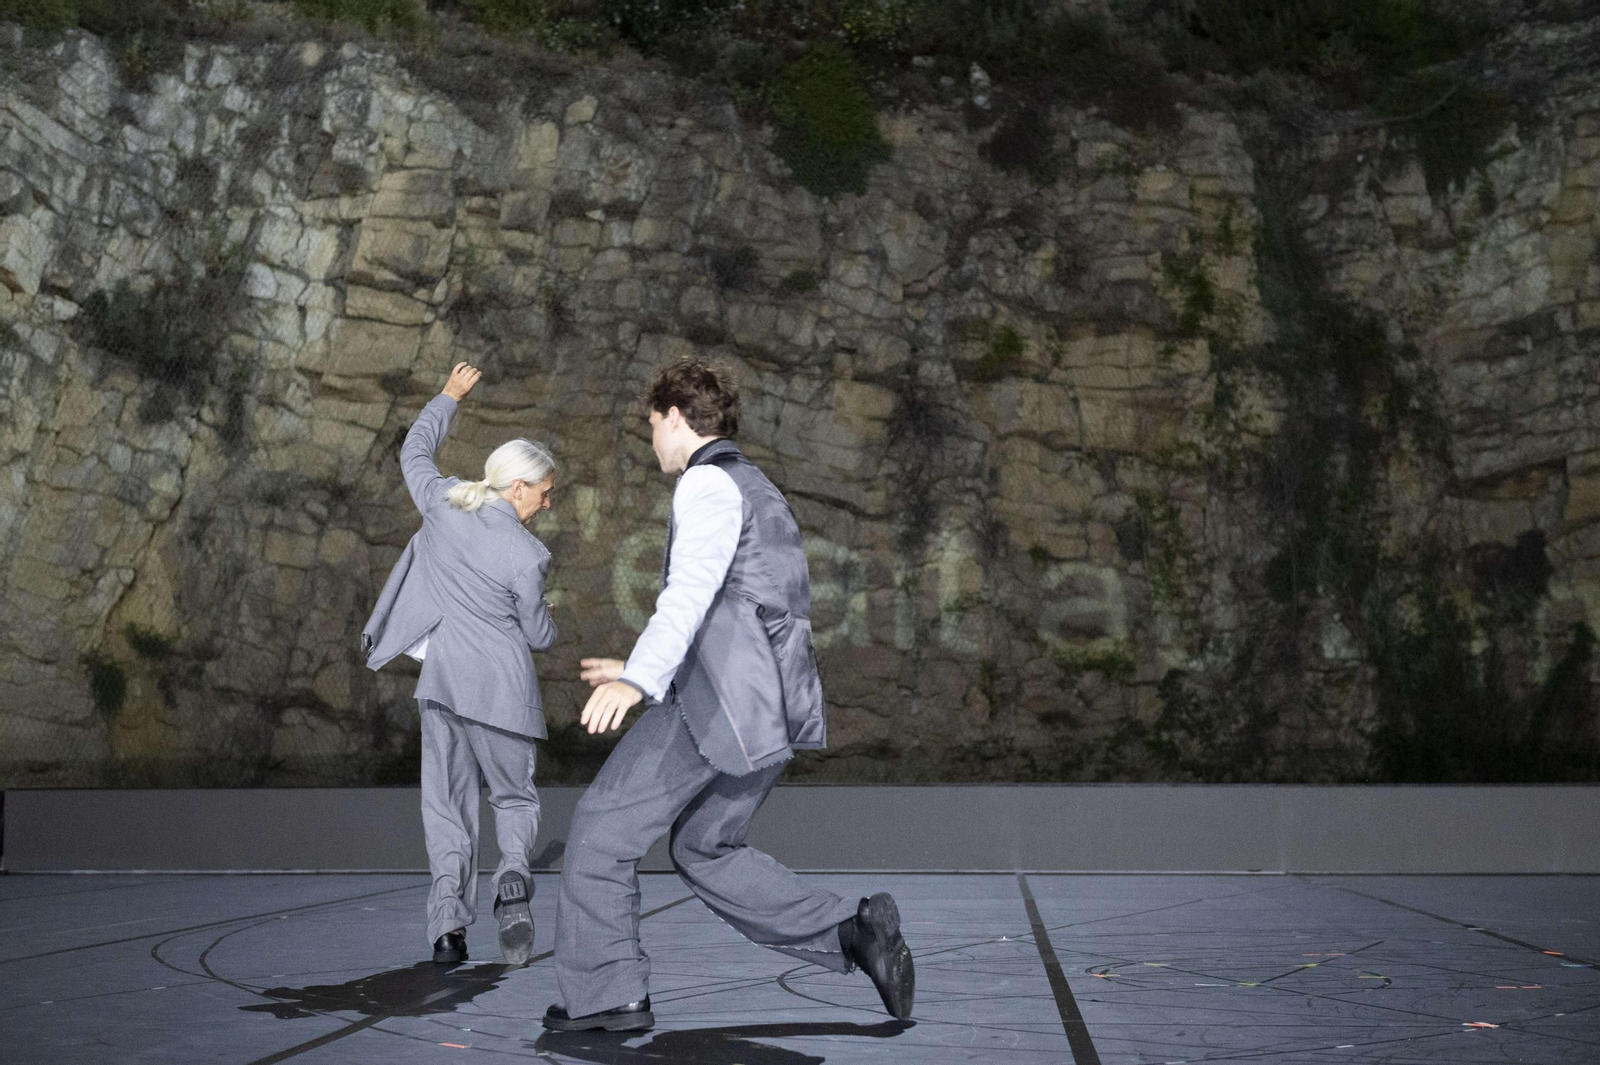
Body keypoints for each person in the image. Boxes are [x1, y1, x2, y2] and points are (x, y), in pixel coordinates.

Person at [542, 357, 913, 1033]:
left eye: (653, 424)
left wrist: (638, 679)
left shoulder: (706, 484)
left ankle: (606, 996)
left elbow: (689, 594)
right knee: (704, 847)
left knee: (600, 830)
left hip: (719, 705)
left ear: (677, 417)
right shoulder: (759, 487)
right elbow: (743, 603)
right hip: (770, 711)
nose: (652, 438)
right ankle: (852, 932)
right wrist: (640, 662)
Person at [361, 362, 557, 967]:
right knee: (515, 800)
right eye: (545, 494)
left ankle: (448, 927)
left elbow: (413, 449)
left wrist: (448, 396)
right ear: (519, 488)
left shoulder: (443, 507)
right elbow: (538, 635)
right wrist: (549, 613)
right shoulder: (528, 554)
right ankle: (514, 878)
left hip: (442, 685)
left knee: (446, 807)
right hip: (502, 692)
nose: (546, 506)